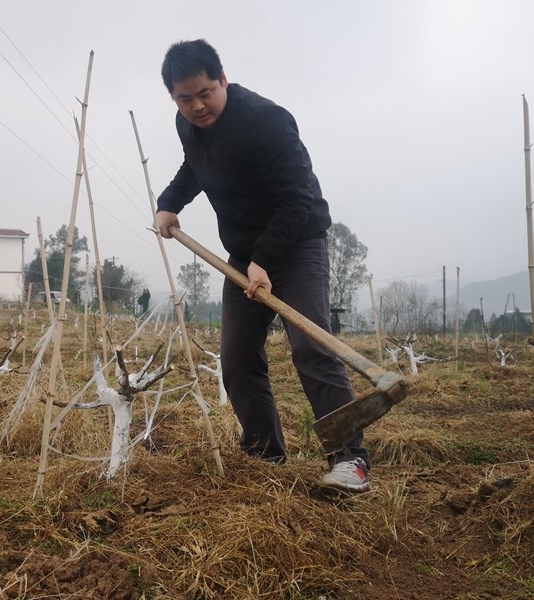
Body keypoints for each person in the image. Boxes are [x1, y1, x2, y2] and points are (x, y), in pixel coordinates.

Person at [154, 39, 370, 492]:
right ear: (174, 96)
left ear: (223, 80)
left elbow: (298, 199)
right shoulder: (188, 124)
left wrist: (264, 261)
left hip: (297, 244)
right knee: (235, 360)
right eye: (184, 98)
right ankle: (263, 455)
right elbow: (195, 166)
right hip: (243, 255)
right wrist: (169, 203)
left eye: (205, 93)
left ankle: (350, 459)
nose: (196, 106)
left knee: (311, 346)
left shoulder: (266, 121)